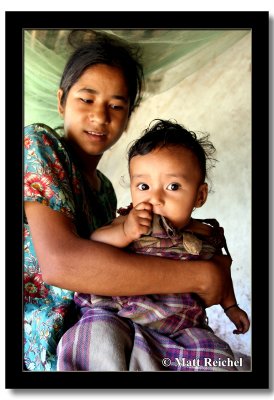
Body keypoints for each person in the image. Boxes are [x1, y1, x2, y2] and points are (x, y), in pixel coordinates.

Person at [24, 29, 233, 372]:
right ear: (61, 100)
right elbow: (61, 264)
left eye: (116, 105)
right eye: (86, 99)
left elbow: (116, 264)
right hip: (44, 343)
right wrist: (200, 277)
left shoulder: (105, 189)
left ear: (128, 115)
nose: (100, 116)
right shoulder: (39, 145)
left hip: (116, 323)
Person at [57, 119, 249, 372]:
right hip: (119, 313)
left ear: (199, 195)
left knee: (218, 358)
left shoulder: (206, 236)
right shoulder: (131, 221)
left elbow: (221, 276)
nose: (155, 198)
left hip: (182, 326)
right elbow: (96, 243)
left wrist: (231, 306)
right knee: (94, 338)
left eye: (173, 186)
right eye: (144, 186)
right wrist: (125, 232)